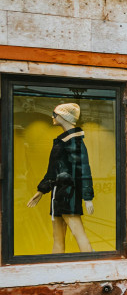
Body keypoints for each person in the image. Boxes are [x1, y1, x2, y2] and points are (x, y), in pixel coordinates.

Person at [27, 103, 94, 254]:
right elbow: (53, 170)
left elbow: (84, 169)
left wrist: (87, 197)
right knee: (57, 236)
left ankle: (92, 265)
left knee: (79, 233)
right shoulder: (63, 141)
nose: (52, 117)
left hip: (69, 194)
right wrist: (41, 191)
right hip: (58, 194)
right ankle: (55, 269)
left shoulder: (75, 141)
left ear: (64, 117)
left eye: (55, 114)